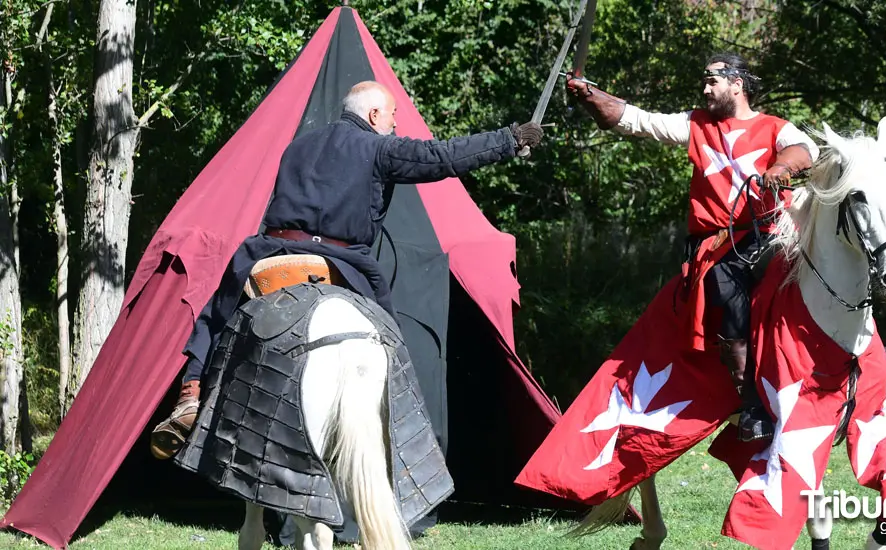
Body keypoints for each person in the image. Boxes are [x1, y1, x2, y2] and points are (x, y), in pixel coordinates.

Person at [149, 80, 544, 460]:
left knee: (215, 315)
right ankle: (402, 428)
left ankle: (191, 392)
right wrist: (509, 139)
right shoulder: (379, 148)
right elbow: (442, 157)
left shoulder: (296, 148)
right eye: (392, 116)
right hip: (341, 261)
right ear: (374, 115)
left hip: (271, 249)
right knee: (390, 344)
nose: (394, 125)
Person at [565, 53, 818, 442]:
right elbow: (635, 119)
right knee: (727, 284)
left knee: (834, 255)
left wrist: (780, 169)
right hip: (720, 245)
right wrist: (590, 96)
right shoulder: (695, 125)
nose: (704, 89)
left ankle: (852, 354)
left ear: (737, 84)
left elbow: (806, 149)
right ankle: (750, 403)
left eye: (712, 82)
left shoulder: (774, 127)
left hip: (771, 232)